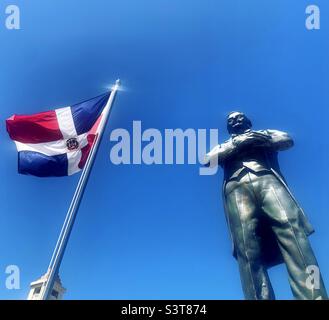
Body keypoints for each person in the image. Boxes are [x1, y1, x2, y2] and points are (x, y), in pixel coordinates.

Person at [205, 111, 328, 300]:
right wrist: (236, 144)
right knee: (246, 245)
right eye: (231, 120)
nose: (235, 121)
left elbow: (286, 139)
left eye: (239, 118)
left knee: (293, 232)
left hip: (268, 182)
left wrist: (258, 139)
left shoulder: (263, 133)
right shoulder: (223, 145)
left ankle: (314, 295)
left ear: (248, 121)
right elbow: (208, 160)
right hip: (236, 190)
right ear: (229, 128)